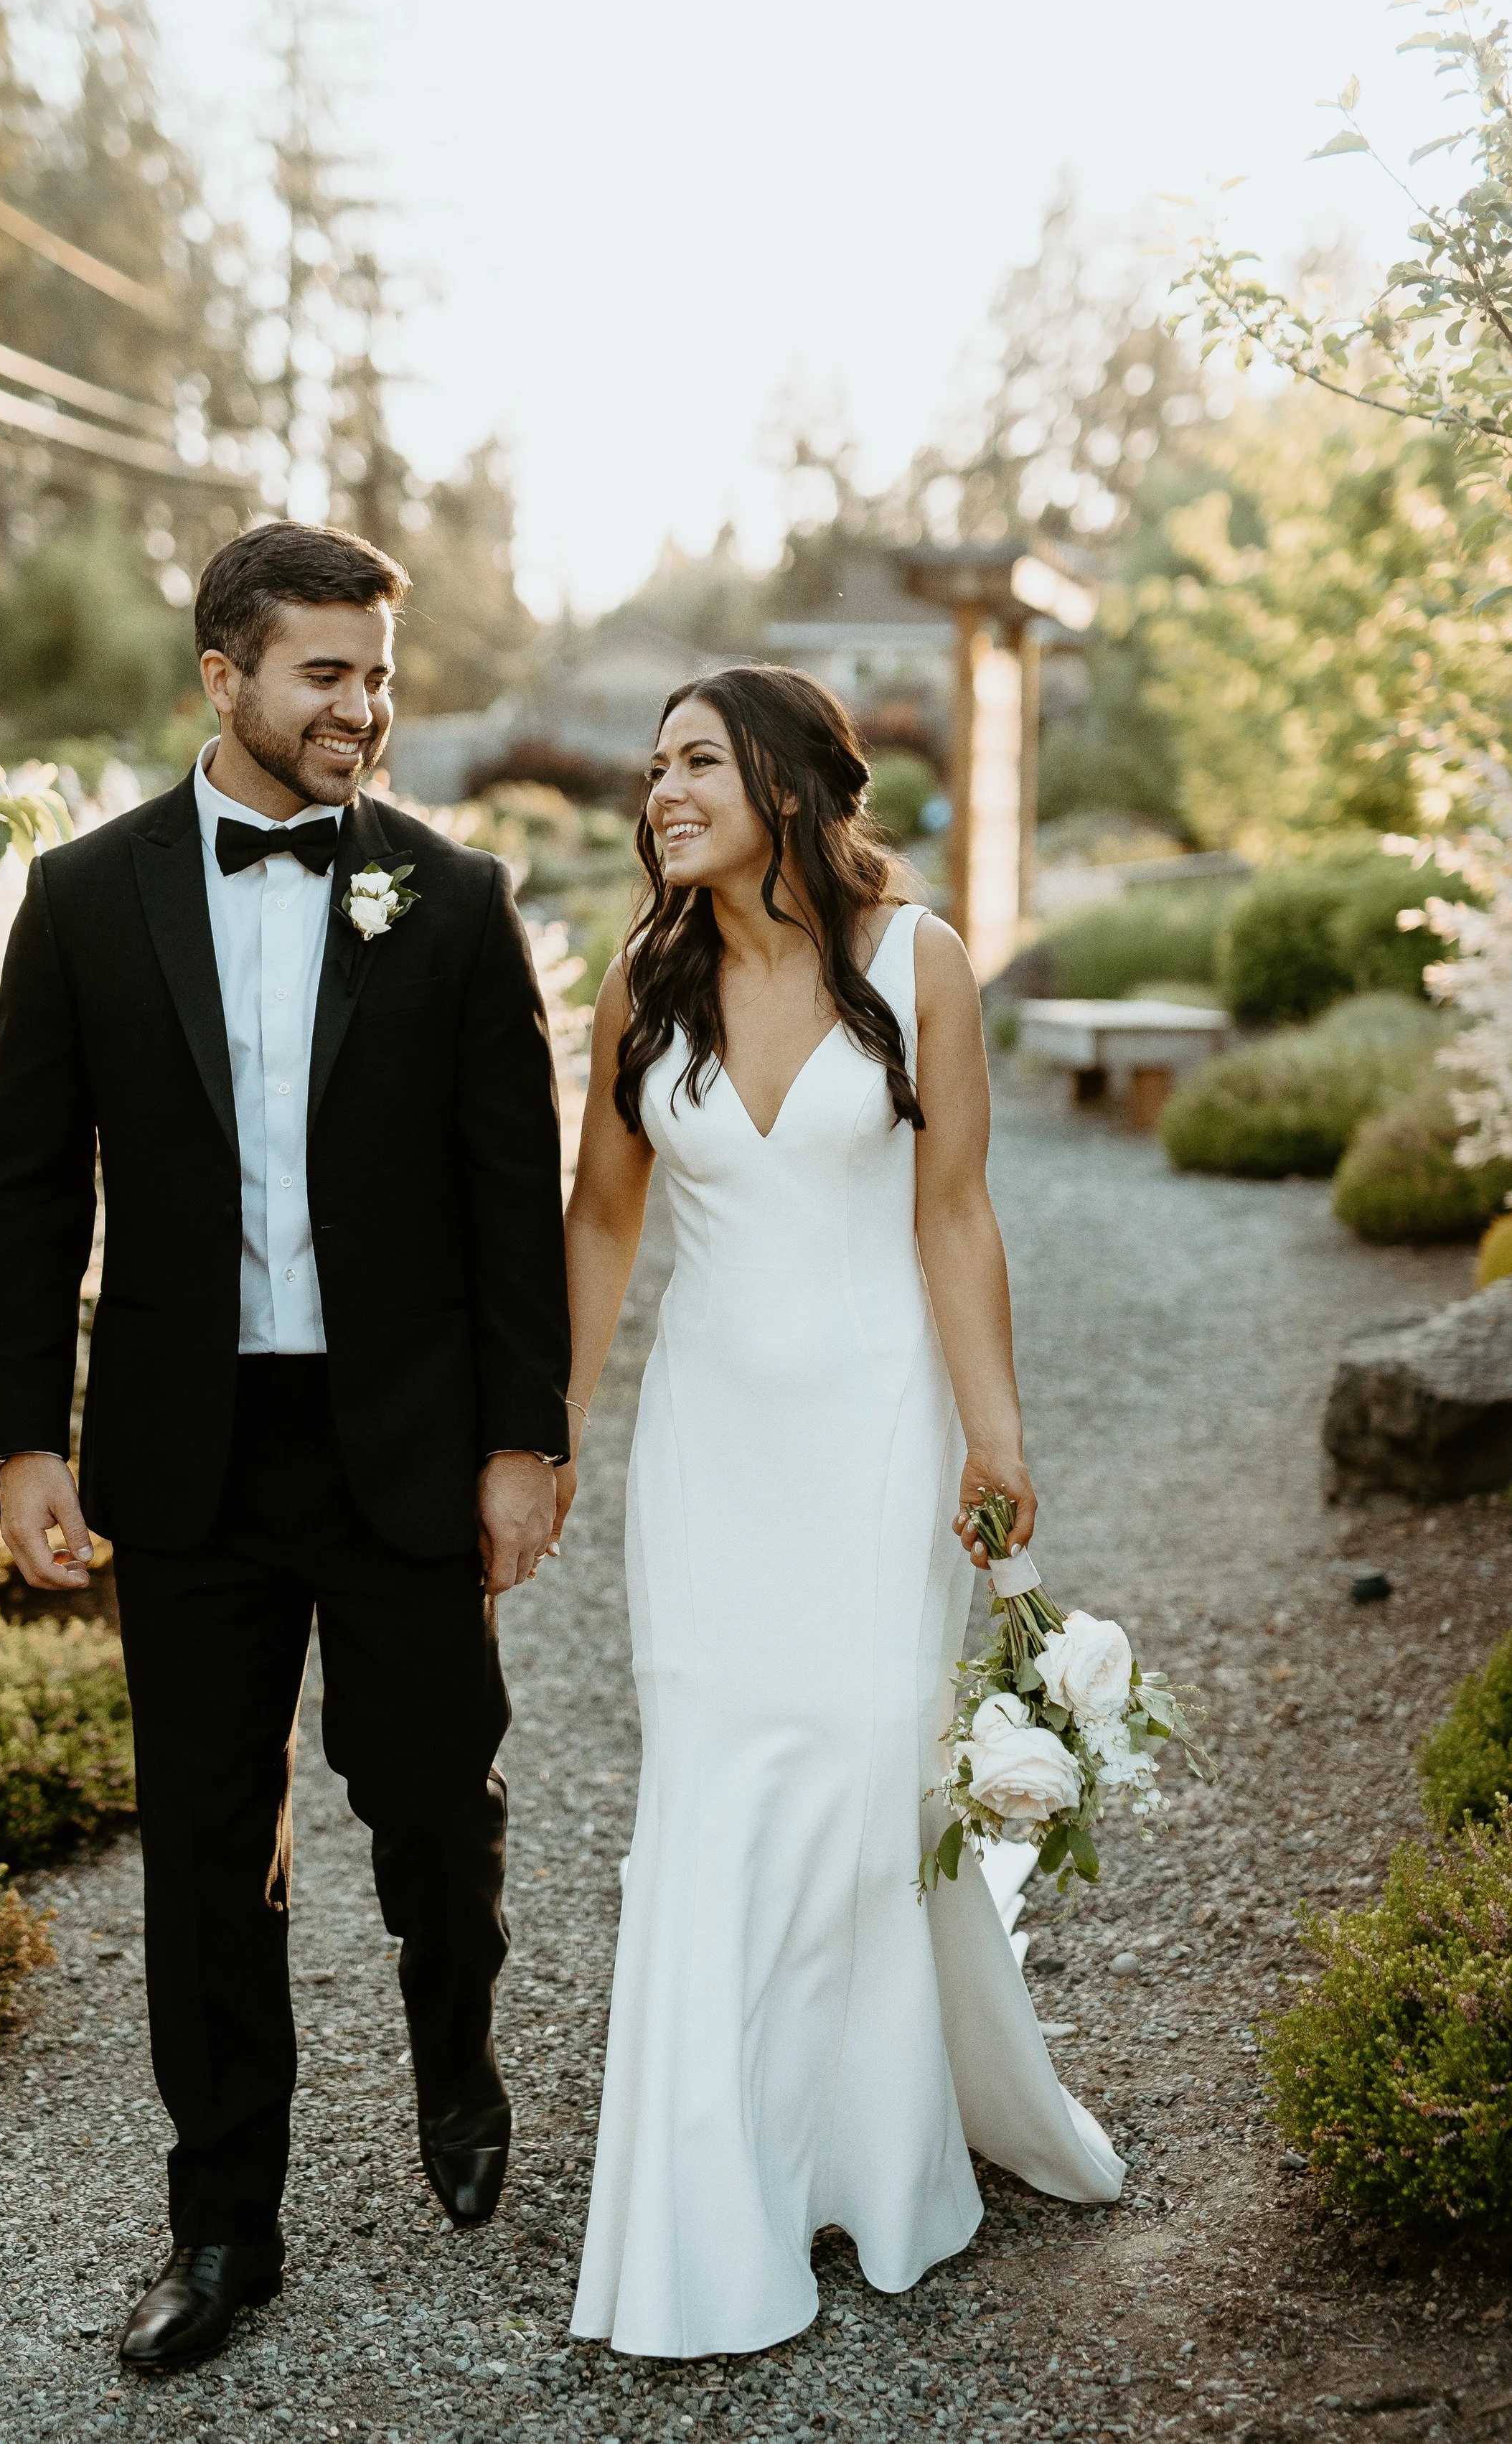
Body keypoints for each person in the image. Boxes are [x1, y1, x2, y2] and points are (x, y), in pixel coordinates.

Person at [0, 520, 570, 2375]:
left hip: (400, 1445)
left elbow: (509, 1198)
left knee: (432, 1802)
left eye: (376, 675)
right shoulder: (85, 895)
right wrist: (21, 1441)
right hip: (187, 1453)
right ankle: (223, 2219)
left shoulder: (447, 896)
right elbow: (24, 1187)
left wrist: (524, 1439)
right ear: (221, 677)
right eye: (325, 673)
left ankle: (454, 2051)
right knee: (206, 1848)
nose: (360, 708)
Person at [558, 666, 1122, 2360]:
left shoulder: (915, 958)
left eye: (697, 760)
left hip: (876, 1429)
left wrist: (993, 1437)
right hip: (707, 1446)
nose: (660, 791)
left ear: (788, 785)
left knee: (868, 1772)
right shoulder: (640, 977)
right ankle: (712, 2187)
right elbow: (600, 1219)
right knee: (718, 1785)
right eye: (653, 765)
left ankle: (871, 2161)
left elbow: (953, 1212)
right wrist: (548, 1433)